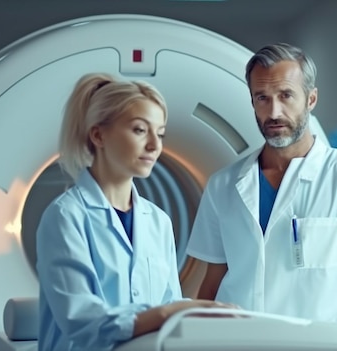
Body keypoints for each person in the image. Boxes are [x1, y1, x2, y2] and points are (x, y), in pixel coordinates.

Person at [186, 43, 337, 328]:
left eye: (286, 95)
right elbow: (213, 281)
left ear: (311, 99)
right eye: (262, 97)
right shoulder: (223, 185)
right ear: (252, 101)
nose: (274, 111)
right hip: (238, 342)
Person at [36, 73, 232, 351]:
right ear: (98, 134)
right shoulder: (65, 217)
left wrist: (201, 312)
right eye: (140, 130)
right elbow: (82, 322)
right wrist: (166, 314)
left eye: (160, 133)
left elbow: (167, 303)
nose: (155, 145)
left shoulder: (158, 221)